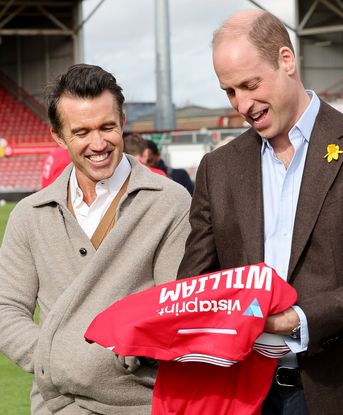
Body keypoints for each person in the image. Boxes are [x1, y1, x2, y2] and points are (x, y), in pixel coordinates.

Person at [177, 10, 343, 415]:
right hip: (245, 394)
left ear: (286, 60)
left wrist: (292, 320)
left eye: (251, 85)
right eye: (230, 91)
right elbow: (195, 282)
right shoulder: (218, 168)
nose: (243, 104)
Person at [0, 64, 191, 414]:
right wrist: (58, 360)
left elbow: (175, 313)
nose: (98, 144)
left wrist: (110, 362)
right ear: (58, 136)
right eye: (82, 132)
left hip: (143, 405)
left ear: (123, 119)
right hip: (58, 406)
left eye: (107, 127)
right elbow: (6, 309)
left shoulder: (170, 202)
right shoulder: (29, 215)